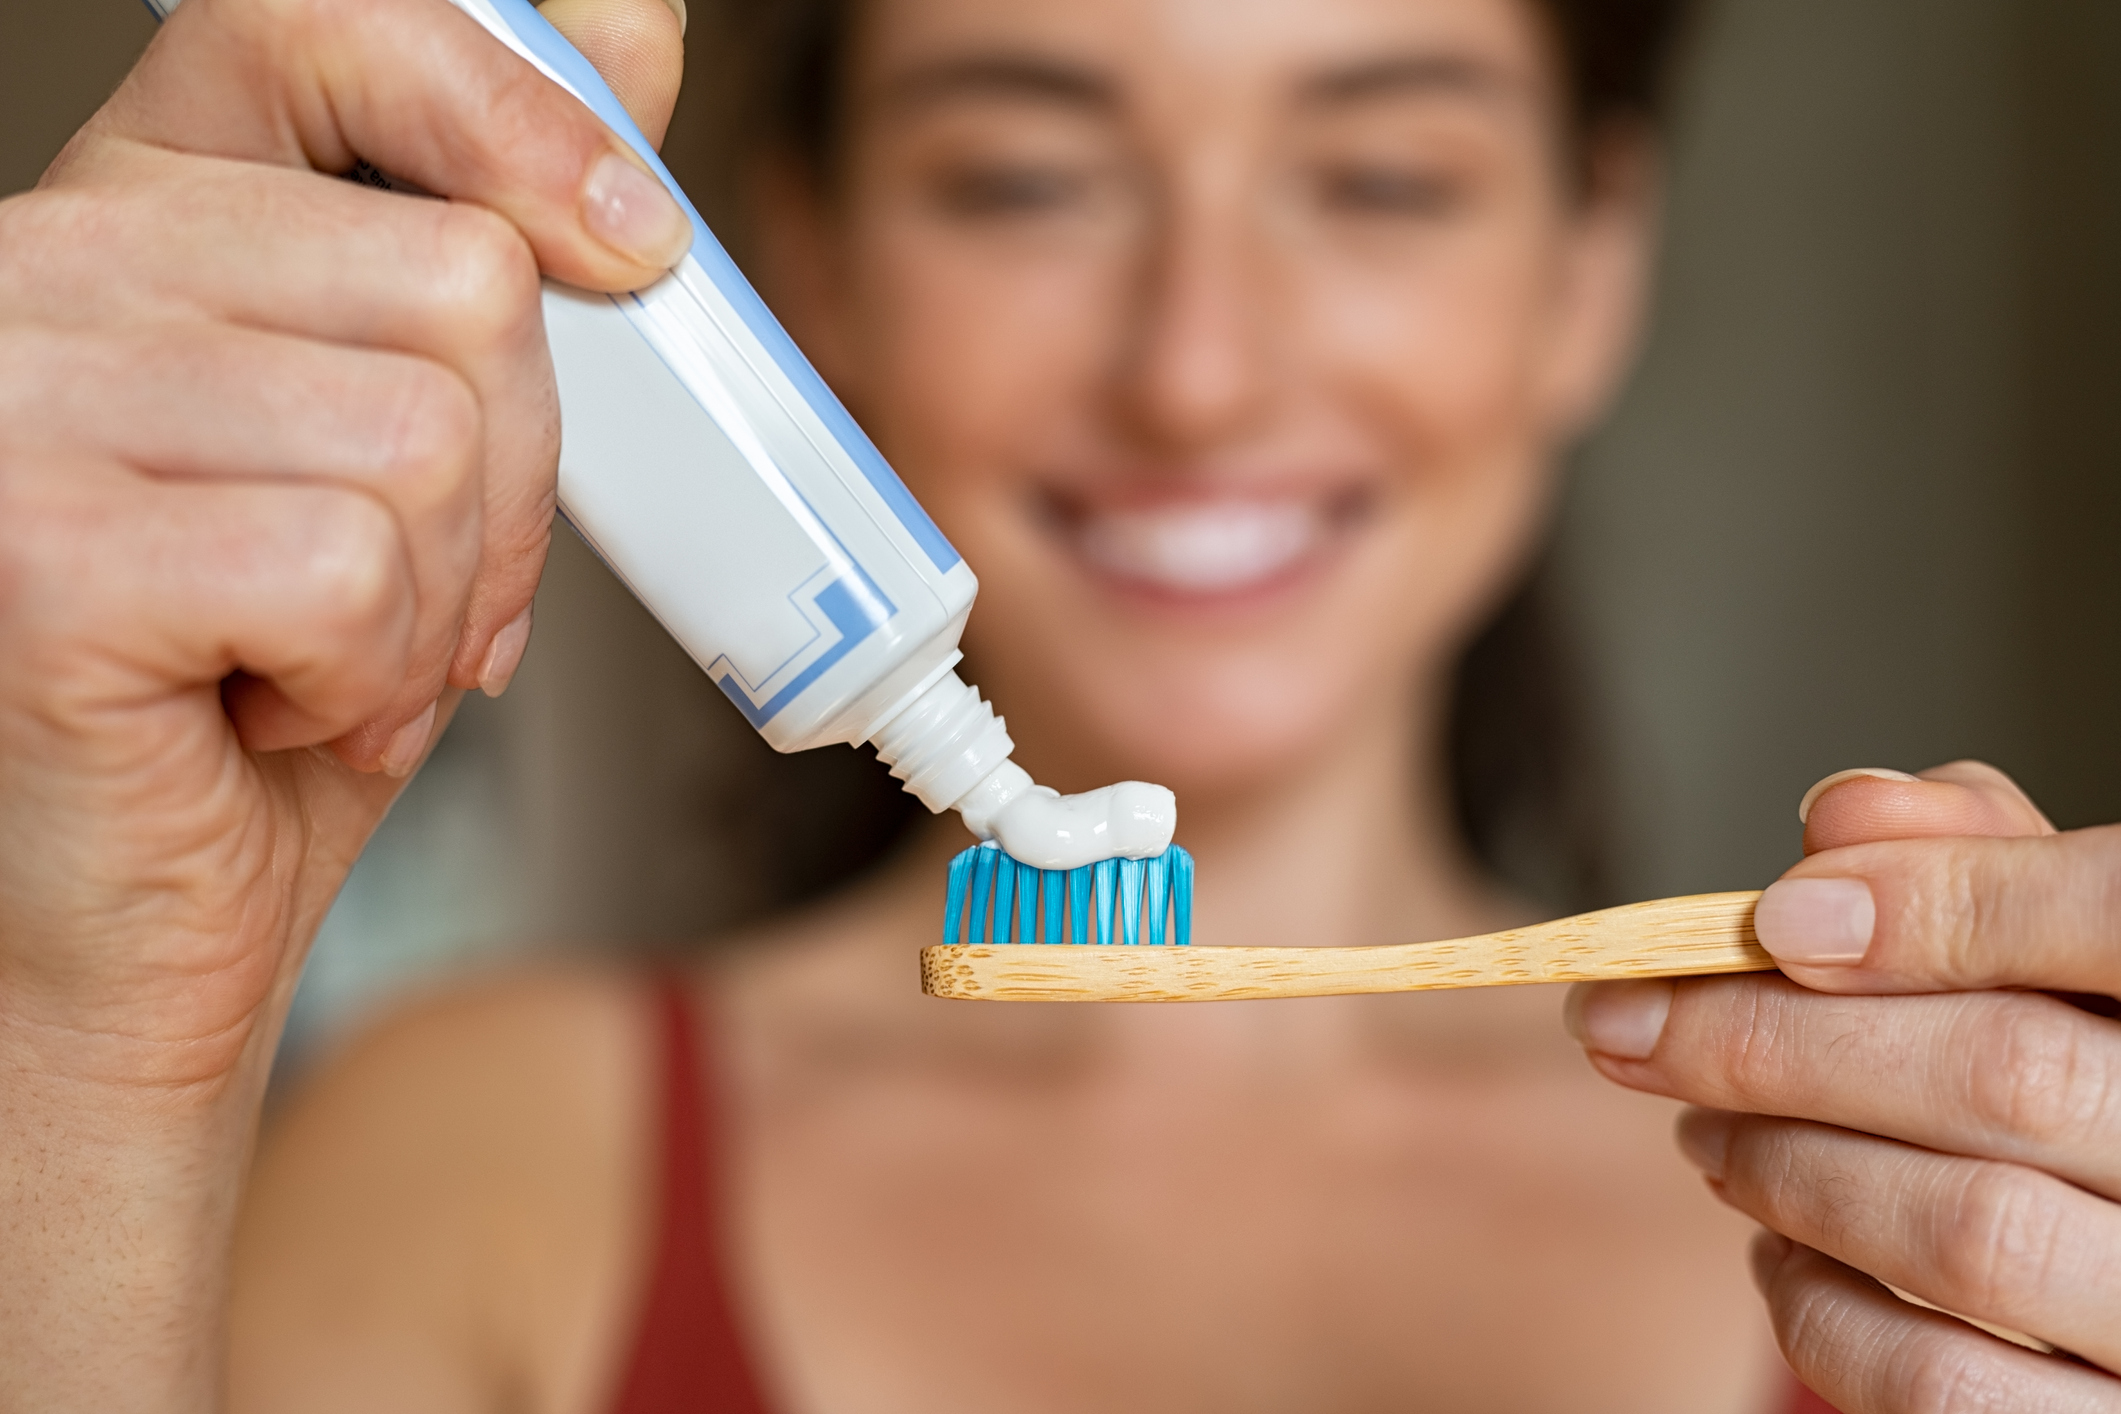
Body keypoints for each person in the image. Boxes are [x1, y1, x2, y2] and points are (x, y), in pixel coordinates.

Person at [0, 0, 2115, 1408]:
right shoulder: (476, 1147)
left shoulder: (1928, 1208)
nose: (1195, 364)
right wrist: (94, 1026)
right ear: (799, 262)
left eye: (1380, 177)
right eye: (1021, 176)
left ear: (1586, 265)